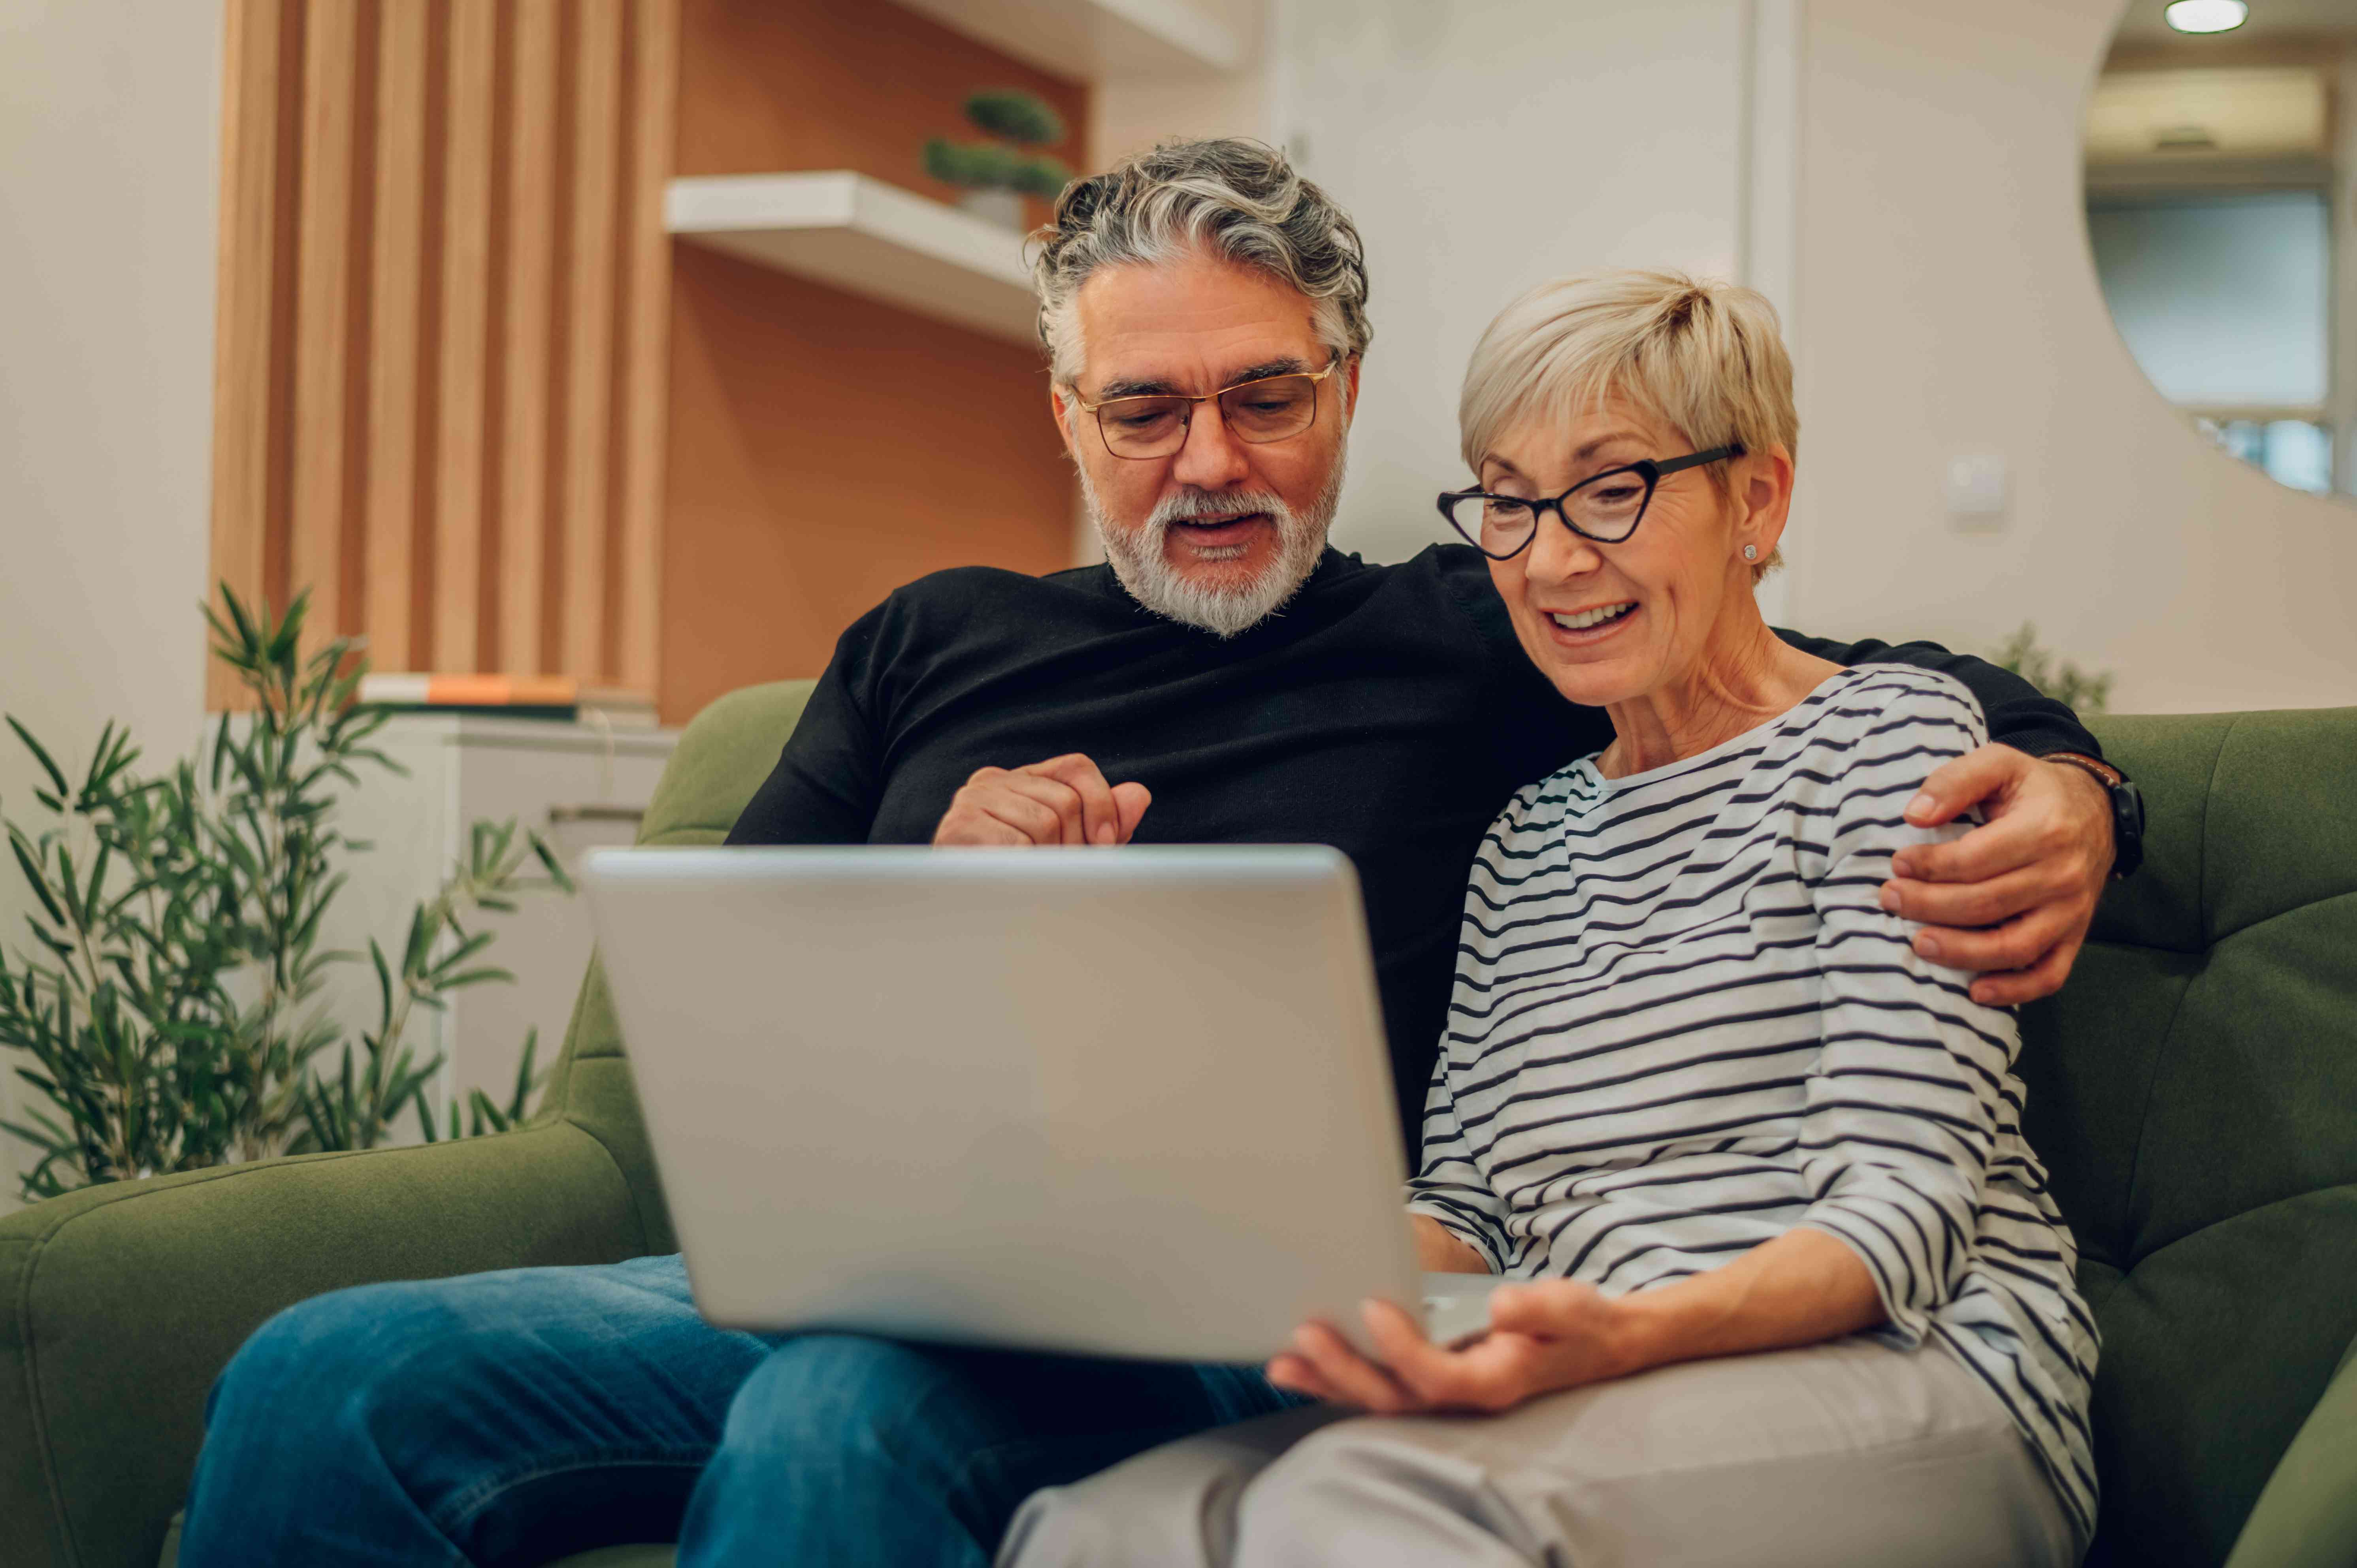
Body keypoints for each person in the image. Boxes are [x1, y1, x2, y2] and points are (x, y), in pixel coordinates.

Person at [177, 141, 2121, 1568]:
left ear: (1342, 394)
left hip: (1213, 1303)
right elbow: (724, 1000)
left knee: (842, 1422)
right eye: (1147, 408)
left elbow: (1811, 682)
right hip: (840, 1256)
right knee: (318, 1369)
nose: (1210, 461)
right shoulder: (922, 641)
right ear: (1066, 416)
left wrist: (2067, 778)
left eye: (1264, 398)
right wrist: (927, 886)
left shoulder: (1484, 627)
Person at [998, 269, 2095, 1568]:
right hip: (1599, 1374)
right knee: (1100, 1524)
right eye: (1509, 502)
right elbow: (1464, 1202)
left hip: (1923, 1374)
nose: (1554, 556)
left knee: (1354, 1509)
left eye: (1614, 486)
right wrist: (1236, 1259)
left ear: (1756, 499)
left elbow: (1903, 1213)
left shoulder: (1890, 740)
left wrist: (1624, 1335)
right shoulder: (1528, 837)